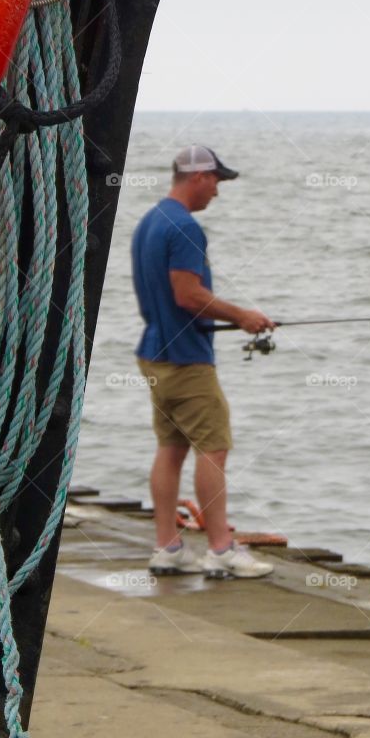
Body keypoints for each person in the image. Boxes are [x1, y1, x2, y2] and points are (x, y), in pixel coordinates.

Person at [131, 145, 277, 580]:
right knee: (213, 450)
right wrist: (244, 316)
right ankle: (221, 549)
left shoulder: (150, 221)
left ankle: (168, 549)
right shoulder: (185, 228)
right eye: (216, 181)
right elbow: (188, 295)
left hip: (154, 355)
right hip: (187, 361)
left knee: (171, 448)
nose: (217, 190)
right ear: (198, 177)